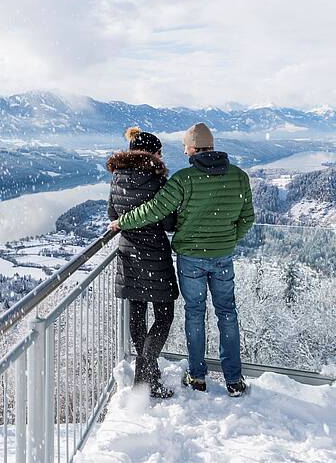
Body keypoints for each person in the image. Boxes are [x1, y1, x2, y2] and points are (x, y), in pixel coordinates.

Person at [109, 122, 254, 397]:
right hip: (220, 257)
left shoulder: (184, 179)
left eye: (186, 145)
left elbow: (155, 210)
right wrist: (228, 239)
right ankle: (234, 379)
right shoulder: (239, 177)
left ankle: (197, 376)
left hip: (186, 257)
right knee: (227, 314)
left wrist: (123, 221)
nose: (183, 151)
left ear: (194, 148)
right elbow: (247, 218)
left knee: (194, 314)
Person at [107, 126, 178, 399]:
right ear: (151, 153)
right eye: (159, 152)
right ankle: (144, 377)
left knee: (137, 315)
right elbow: (170, 222)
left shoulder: (117, 178)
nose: (162, 157)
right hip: (155, 255)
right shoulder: (158, 181)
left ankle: (148, 375)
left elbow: (113, 213)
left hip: (128, 255)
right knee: (164, 316)